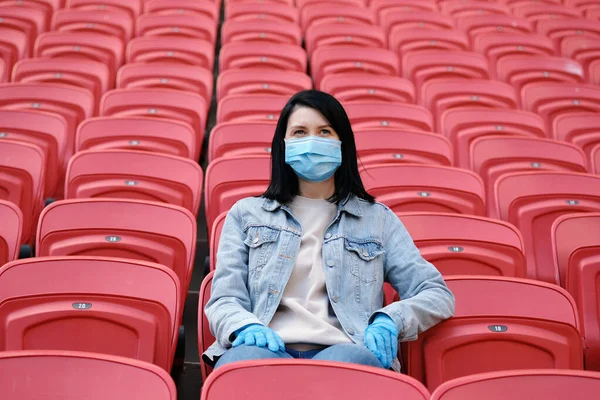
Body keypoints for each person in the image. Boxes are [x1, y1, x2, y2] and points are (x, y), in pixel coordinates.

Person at [203, 90, 455, 371]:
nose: (312, 141)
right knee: (243, 363)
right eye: (299, 132)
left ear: (342, 144)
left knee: (351, 362)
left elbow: (435, 293)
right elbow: (224, 299)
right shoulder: (245, 214)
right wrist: (245, 326)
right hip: (265, 348)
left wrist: (391, 319)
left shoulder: (378, 220)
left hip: (344, 349)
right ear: (283, 145)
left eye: (324, 131)